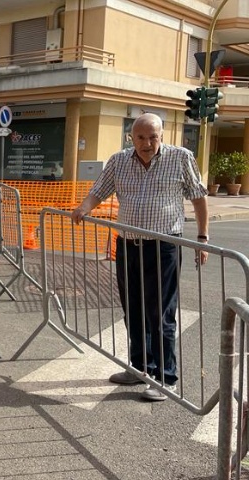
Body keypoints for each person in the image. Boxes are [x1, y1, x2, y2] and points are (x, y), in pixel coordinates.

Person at [71, 113, 208, 402]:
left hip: (163, 246)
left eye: (153, 137)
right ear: (131, 138)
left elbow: (198, 196)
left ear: (162, 135)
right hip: (128, 246)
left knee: (161, 313)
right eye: (141, 138)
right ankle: (139, 367)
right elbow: (99, 191)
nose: (147, 144)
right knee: (133, 309)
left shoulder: (180, 158)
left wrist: (202, 238)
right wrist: (84, 207)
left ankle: (165, 377)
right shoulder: (119, 161)